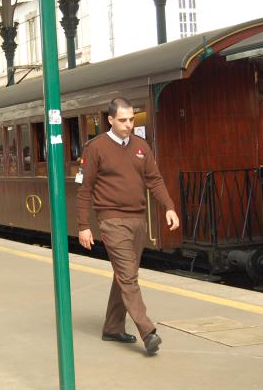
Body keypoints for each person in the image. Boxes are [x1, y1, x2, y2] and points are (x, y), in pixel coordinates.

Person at [76, 97, 180, 356]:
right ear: (110, 120)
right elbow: (85, 190)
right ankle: (148, 332)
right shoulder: (96, 147)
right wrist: (83, 226)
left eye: (132, 119)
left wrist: (169, 207)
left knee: (123, 275)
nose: (128, 125)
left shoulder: (141, 147)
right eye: (123, 120)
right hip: (111, 221)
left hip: (137, 220)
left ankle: (112, 328)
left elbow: (154, 180)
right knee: (129, 276)